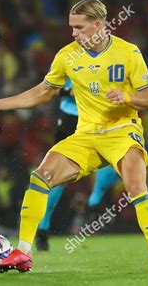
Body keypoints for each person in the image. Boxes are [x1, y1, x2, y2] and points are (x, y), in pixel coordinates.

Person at [0, 0, 148, 273]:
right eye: (71, 27)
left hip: (122, 133)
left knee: (136, 189)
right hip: (86, 135)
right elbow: (43, 92)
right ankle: (24, 253)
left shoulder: (129, 53)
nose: (73, 33)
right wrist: (3, 103)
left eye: (78, 27)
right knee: (41, 176)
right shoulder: (67, 56)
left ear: (98, 25)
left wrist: (126, 96)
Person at [36, 78, 119, 251]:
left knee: (113, 159)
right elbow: (49, 89)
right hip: (71, 118)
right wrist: (68, 91)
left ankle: (94, 203)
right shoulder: (68, 57)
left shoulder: (107, 55)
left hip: (99, 117)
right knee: (61, 175)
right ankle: (43, 228)